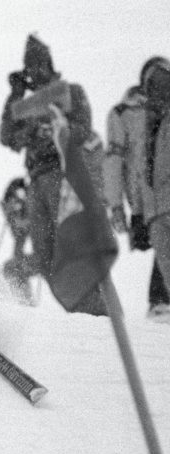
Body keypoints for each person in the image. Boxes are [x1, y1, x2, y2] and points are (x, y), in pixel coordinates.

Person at [0, 34, 107, 316]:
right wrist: (15, 94)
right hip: (36, 181)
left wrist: (55, 130)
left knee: (73, 247)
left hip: (64, 174)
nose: (34, 70)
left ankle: (97, 311)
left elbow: (84, 129)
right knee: (45, 255)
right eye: (28, 65)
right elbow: (6, 136)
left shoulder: (70, 91)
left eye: (38, 63)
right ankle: (81, 310)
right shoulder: (26, 104)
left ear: (49, 64)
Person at [103, 58, 170, 321]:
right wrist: (116, 204)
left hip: (152, 200)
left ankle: (160, 300)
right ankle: (160, 301)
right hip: (147, 198)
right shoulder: (125, 114)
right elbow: (115, 161)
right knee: (161, 244)